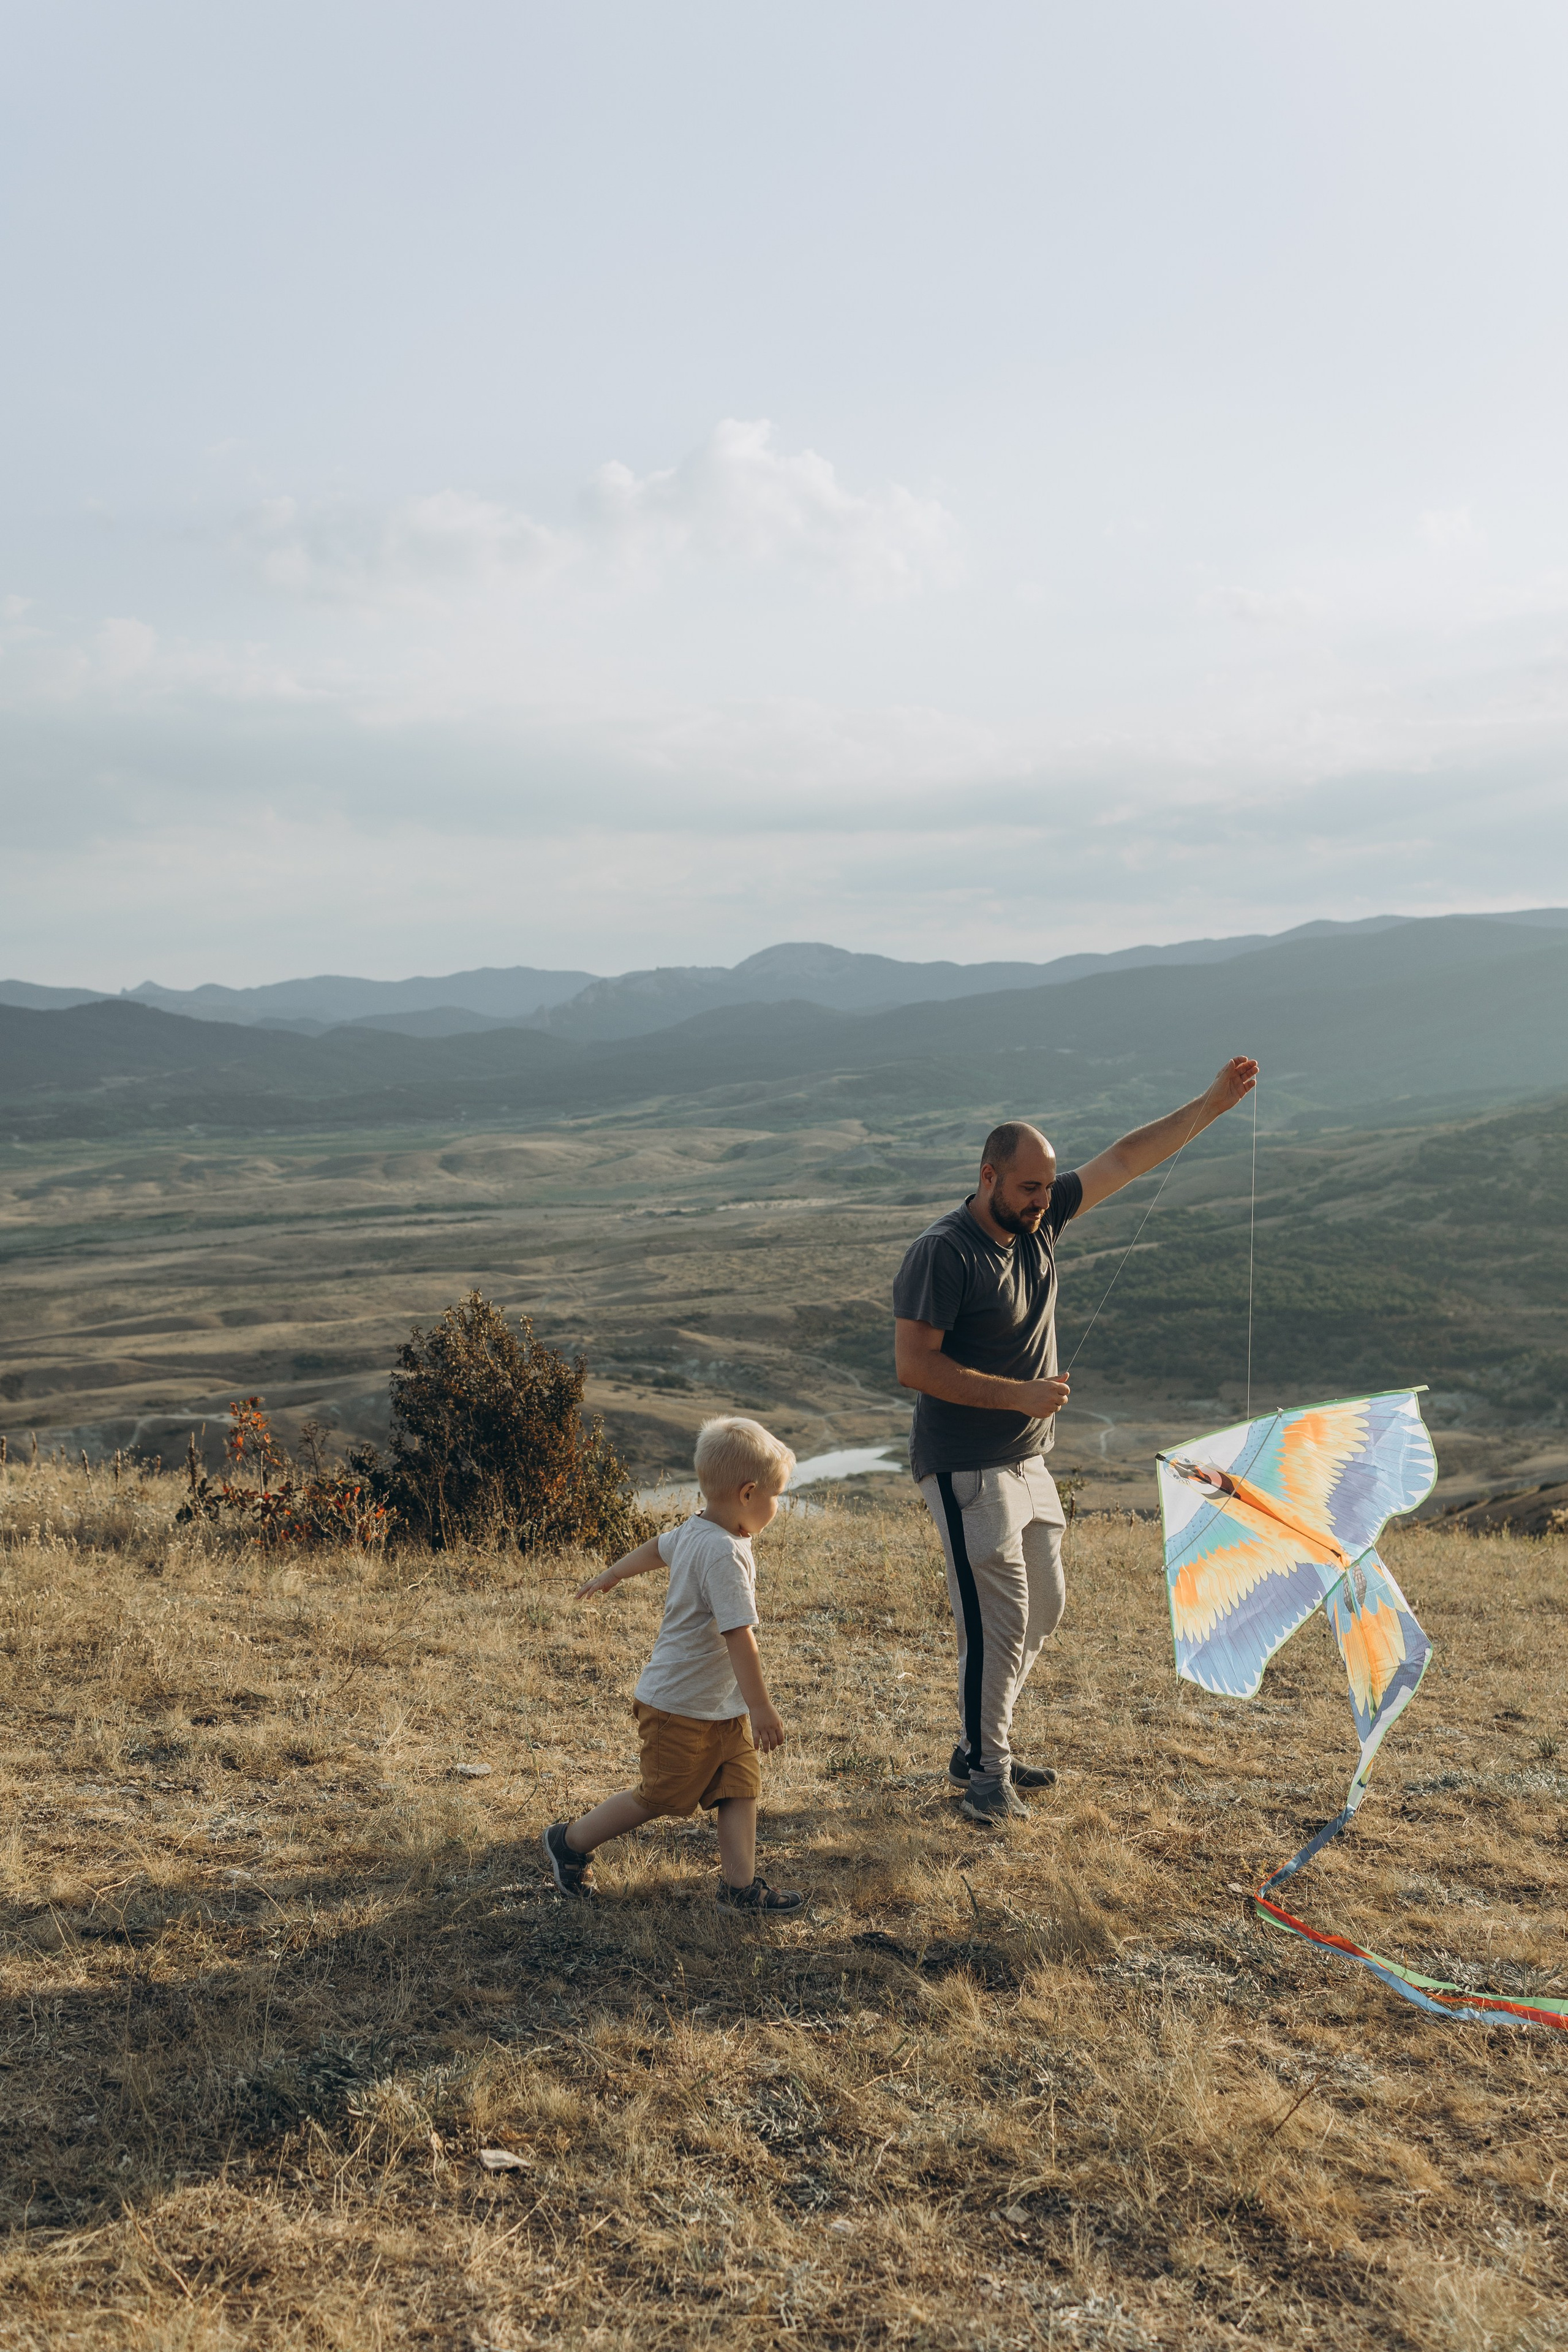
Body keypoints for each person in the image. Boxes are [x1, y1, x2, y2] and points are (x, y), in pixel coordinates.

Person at [893, 1055, 1259, 1827]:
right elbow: (913, 1364)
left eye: (1045, 1187)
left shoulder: (1040, 1219)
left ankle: (976, 1742)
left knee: (1045, 1609)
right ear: (988, 1175)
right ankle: (986, 1778)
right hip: (965, 1467)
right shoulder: (945, 1251)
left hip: (1028, 1460)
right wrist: (1017, 1395)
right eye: (1027, 1187)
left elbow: (1126, 1158)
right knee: (1000, 1620)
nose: (1041, 1201)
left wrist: (1209, 1106)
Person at [541, 1414, 805, 1912]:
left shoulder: (698, 1528)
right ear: (748, 1493)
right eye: (777, 1496)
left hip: (717, 1707)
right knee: (660, 1798)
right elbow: (738, 1638)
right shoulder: (724, 1552)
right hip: (679, 1706)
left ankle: (739, 1887)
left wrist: (614, 1573)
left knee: (739, 1786)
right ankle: (569, 1841)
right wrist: (763, 1708)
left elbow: (658, 1547)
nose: (778, 1507)